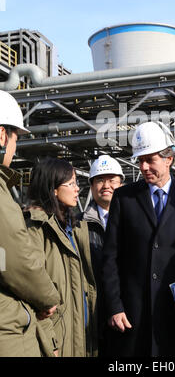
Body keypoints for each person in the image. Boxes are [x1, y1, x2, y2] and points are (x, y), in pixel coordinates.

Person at [102, 121, 175, 357]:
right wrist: (114, 306)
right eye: (140, 160)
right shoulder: (124, 198)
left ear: (169, 159)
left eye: (150, 159)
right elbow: (110, 257)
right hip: (132, 316)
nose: (143, 167)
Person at [0, 90, 60, 357]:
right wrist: (47, 298)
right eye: (15, 139)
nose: (14, 149)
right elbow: (14, 259)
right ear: (2, 136)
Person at [24, 157, 98, 357]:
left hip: (79, 332)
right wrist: (50, 341)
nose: (77, 189)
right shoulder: (36, 228)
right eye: (71, 183)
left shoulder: (72, 227)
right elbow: (33, 293)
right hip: (57, 337)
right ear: (53, 189)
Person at [79, 155, 124, 355]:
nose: (106, 185)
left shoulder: (135, 221)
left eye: (112, 179)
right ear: (91, 185)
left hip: (128, 312)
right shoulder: (78, 224)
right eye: (99, 180)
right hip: (94, 316)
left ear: (121, 183)